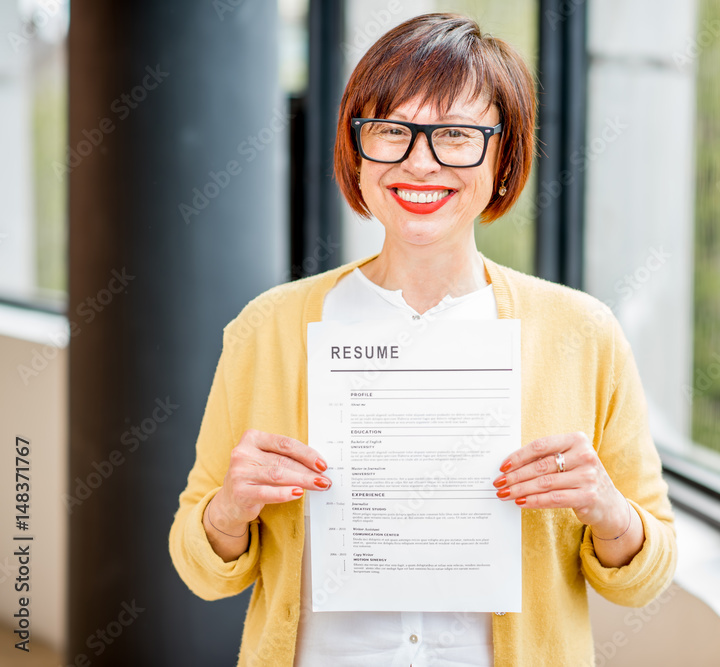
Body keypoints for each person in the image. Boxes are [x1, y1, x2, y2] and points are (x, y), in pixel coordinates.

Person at [169, 13, 677, 666]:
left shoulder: (583, 334)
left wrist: (609, 511)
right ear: (357, 149)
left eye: (458, 135)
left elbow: (648, 574)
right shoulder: (267, 330)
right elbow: (201, 567)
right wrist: (227, 511)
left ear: (503, 156)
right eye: (390, 131)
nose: (420, 161)